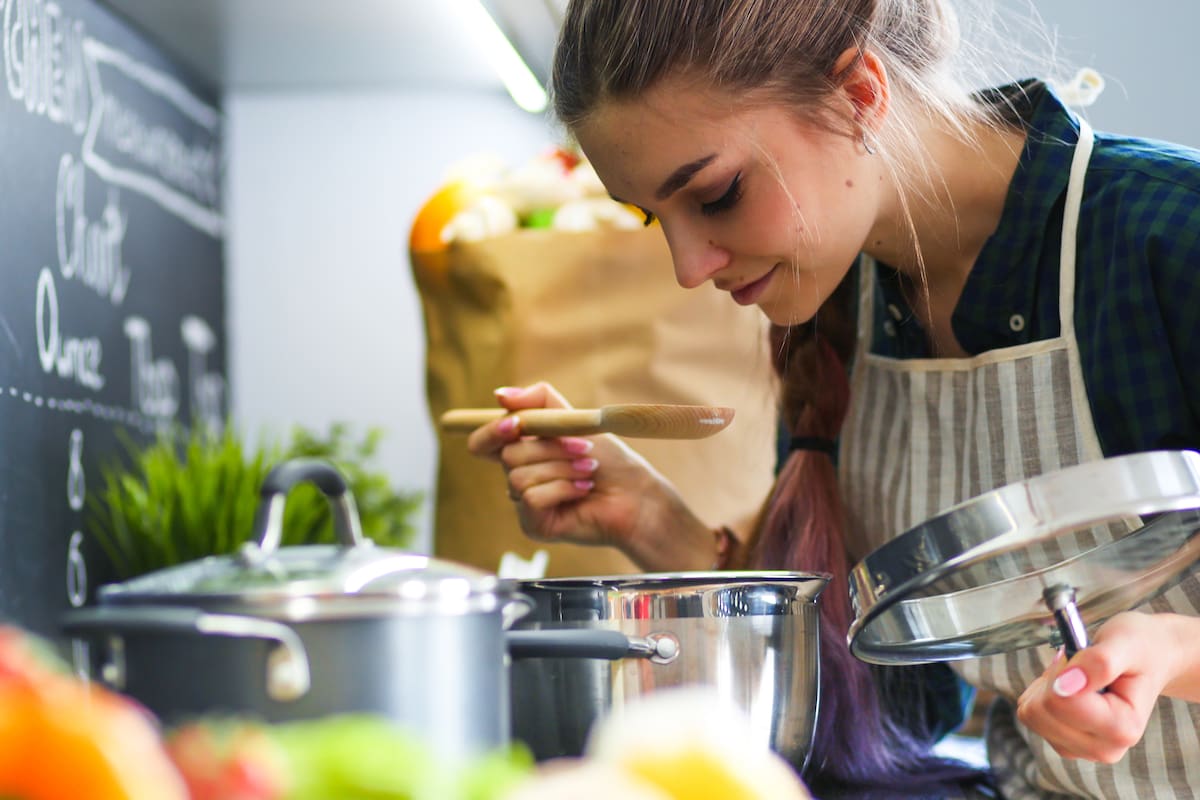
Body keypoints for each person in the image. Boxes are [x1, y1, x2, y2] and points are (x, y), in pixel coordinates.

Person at [463, 0, 1200, 796]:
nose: (688, 267)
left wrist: (1174, 651)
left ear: (859, 94)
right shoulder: (842, 311)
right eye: (654, 218)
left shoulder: (1169, 235)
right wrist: (654, 522)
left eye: (715, 195)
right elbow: (899, 698)